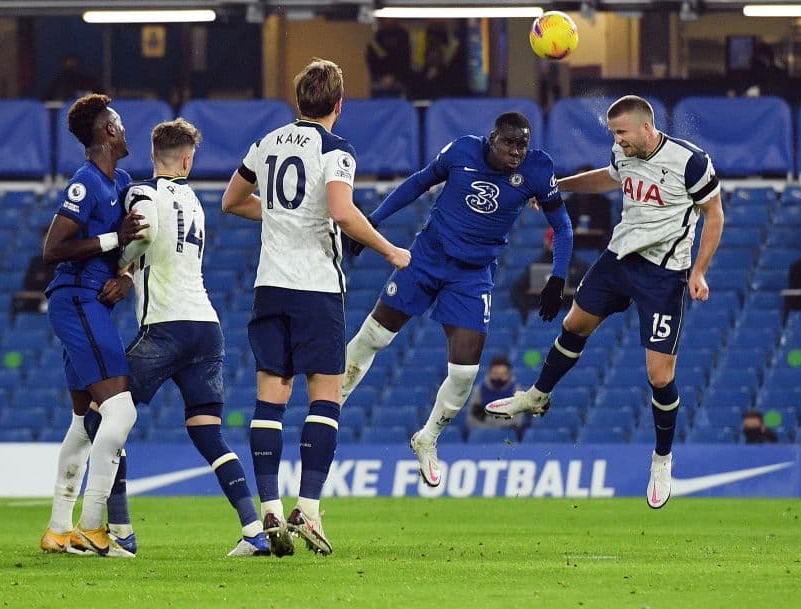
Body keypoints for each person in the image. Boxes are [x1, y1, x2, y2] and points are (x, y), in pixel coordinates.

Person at [486, 95, 725, 511]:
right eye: (613, 134)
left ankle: (662, 458)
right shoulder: (623, 152)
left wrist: (699, 272)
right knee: (573, 325)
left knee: (659, 376)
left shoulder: (691, 162)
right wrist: (559, 187)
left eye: (622, 133)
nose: (617, 141)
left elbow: (715, 214)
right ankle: (539, 395)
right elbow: (609, 177)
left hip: (663, 274)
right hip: (618, 260)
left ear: (646, 127)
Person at [221, 58, 410, 556]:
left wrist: (281, 217)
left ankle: (270, 509)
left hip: (270, 288)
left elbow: (231, 201)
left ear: (298, 101)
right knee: (325, 399)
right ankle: (308, 507)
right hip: (317, 290)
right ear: (338, 105)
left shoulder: (266, 143)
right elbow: (343, 212)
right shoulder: (336, 149)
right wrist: (391, 250)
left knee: (270, 401)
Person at [342, 112, 573, 489]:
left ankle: (427, 438)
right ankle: (332, 403)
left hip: (473, 274)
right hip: (428, 257)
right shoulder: (463, 150)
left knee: (465, 374)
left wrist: (557, 277)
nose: (516, 152)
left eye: (522, 145)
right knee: (375, 336)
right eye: (509, 144)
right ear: (491, 139)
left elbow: (562, 226)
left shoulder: (537, 169)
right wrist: (373, 223)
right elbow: (418, 183)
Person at [83, 118, 269, 557]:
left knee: (100, 418)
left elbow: (142, 229)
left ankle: (122, 534)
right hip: (207, 328)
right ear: (188, 159)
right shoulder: (194, 200)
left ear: (153, 155)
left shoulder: (142, 192)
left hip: (166, 327)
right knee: (209, 434)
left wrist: (122, 265)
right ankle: (253, 530)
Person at [38, 93, 138, 558]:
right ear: (108, 132)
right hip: (77, 298)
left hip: (93, 298)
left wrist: (126, 274)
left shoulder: (121, 181)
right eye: (118, 121)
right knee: (121, 412)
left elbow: (127, 250)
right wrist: (113, 239)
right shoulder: (85, 182)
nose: (125, 127)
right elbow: (53, 247)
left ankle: (59, 529)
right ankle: (95, 527)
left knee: (85, 421)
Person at [510, 228, 589, 317]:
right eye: (552, 241)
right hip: (541, 314)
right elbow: (517, 289)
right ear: (546, 242)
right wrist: (527, 312)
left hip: (568, 312)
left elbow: (589, 287)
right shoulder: (536, 266)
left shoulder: (579, 266)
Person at [466, 356, 525, 431]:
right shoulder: (480, 389)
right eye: (495, 373)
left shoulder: (516, 389)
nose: (499, 377)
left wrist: (498, 425)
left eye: (503, 374)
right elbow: (471, 418)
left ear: (509, 375)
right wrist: (490, 429)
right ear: (489, 373)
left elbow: (518, 420)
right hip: (483, 433)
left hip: (508, 433)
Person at [366, 20, 412, 98]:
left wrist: (395, 76)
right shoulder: (377, 37)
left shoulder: (402, 36)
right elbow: (372, 60)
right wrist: (382, 76)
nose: (388, 20)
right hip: (380, 82)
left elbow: (404, 59)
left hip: (399, 81)